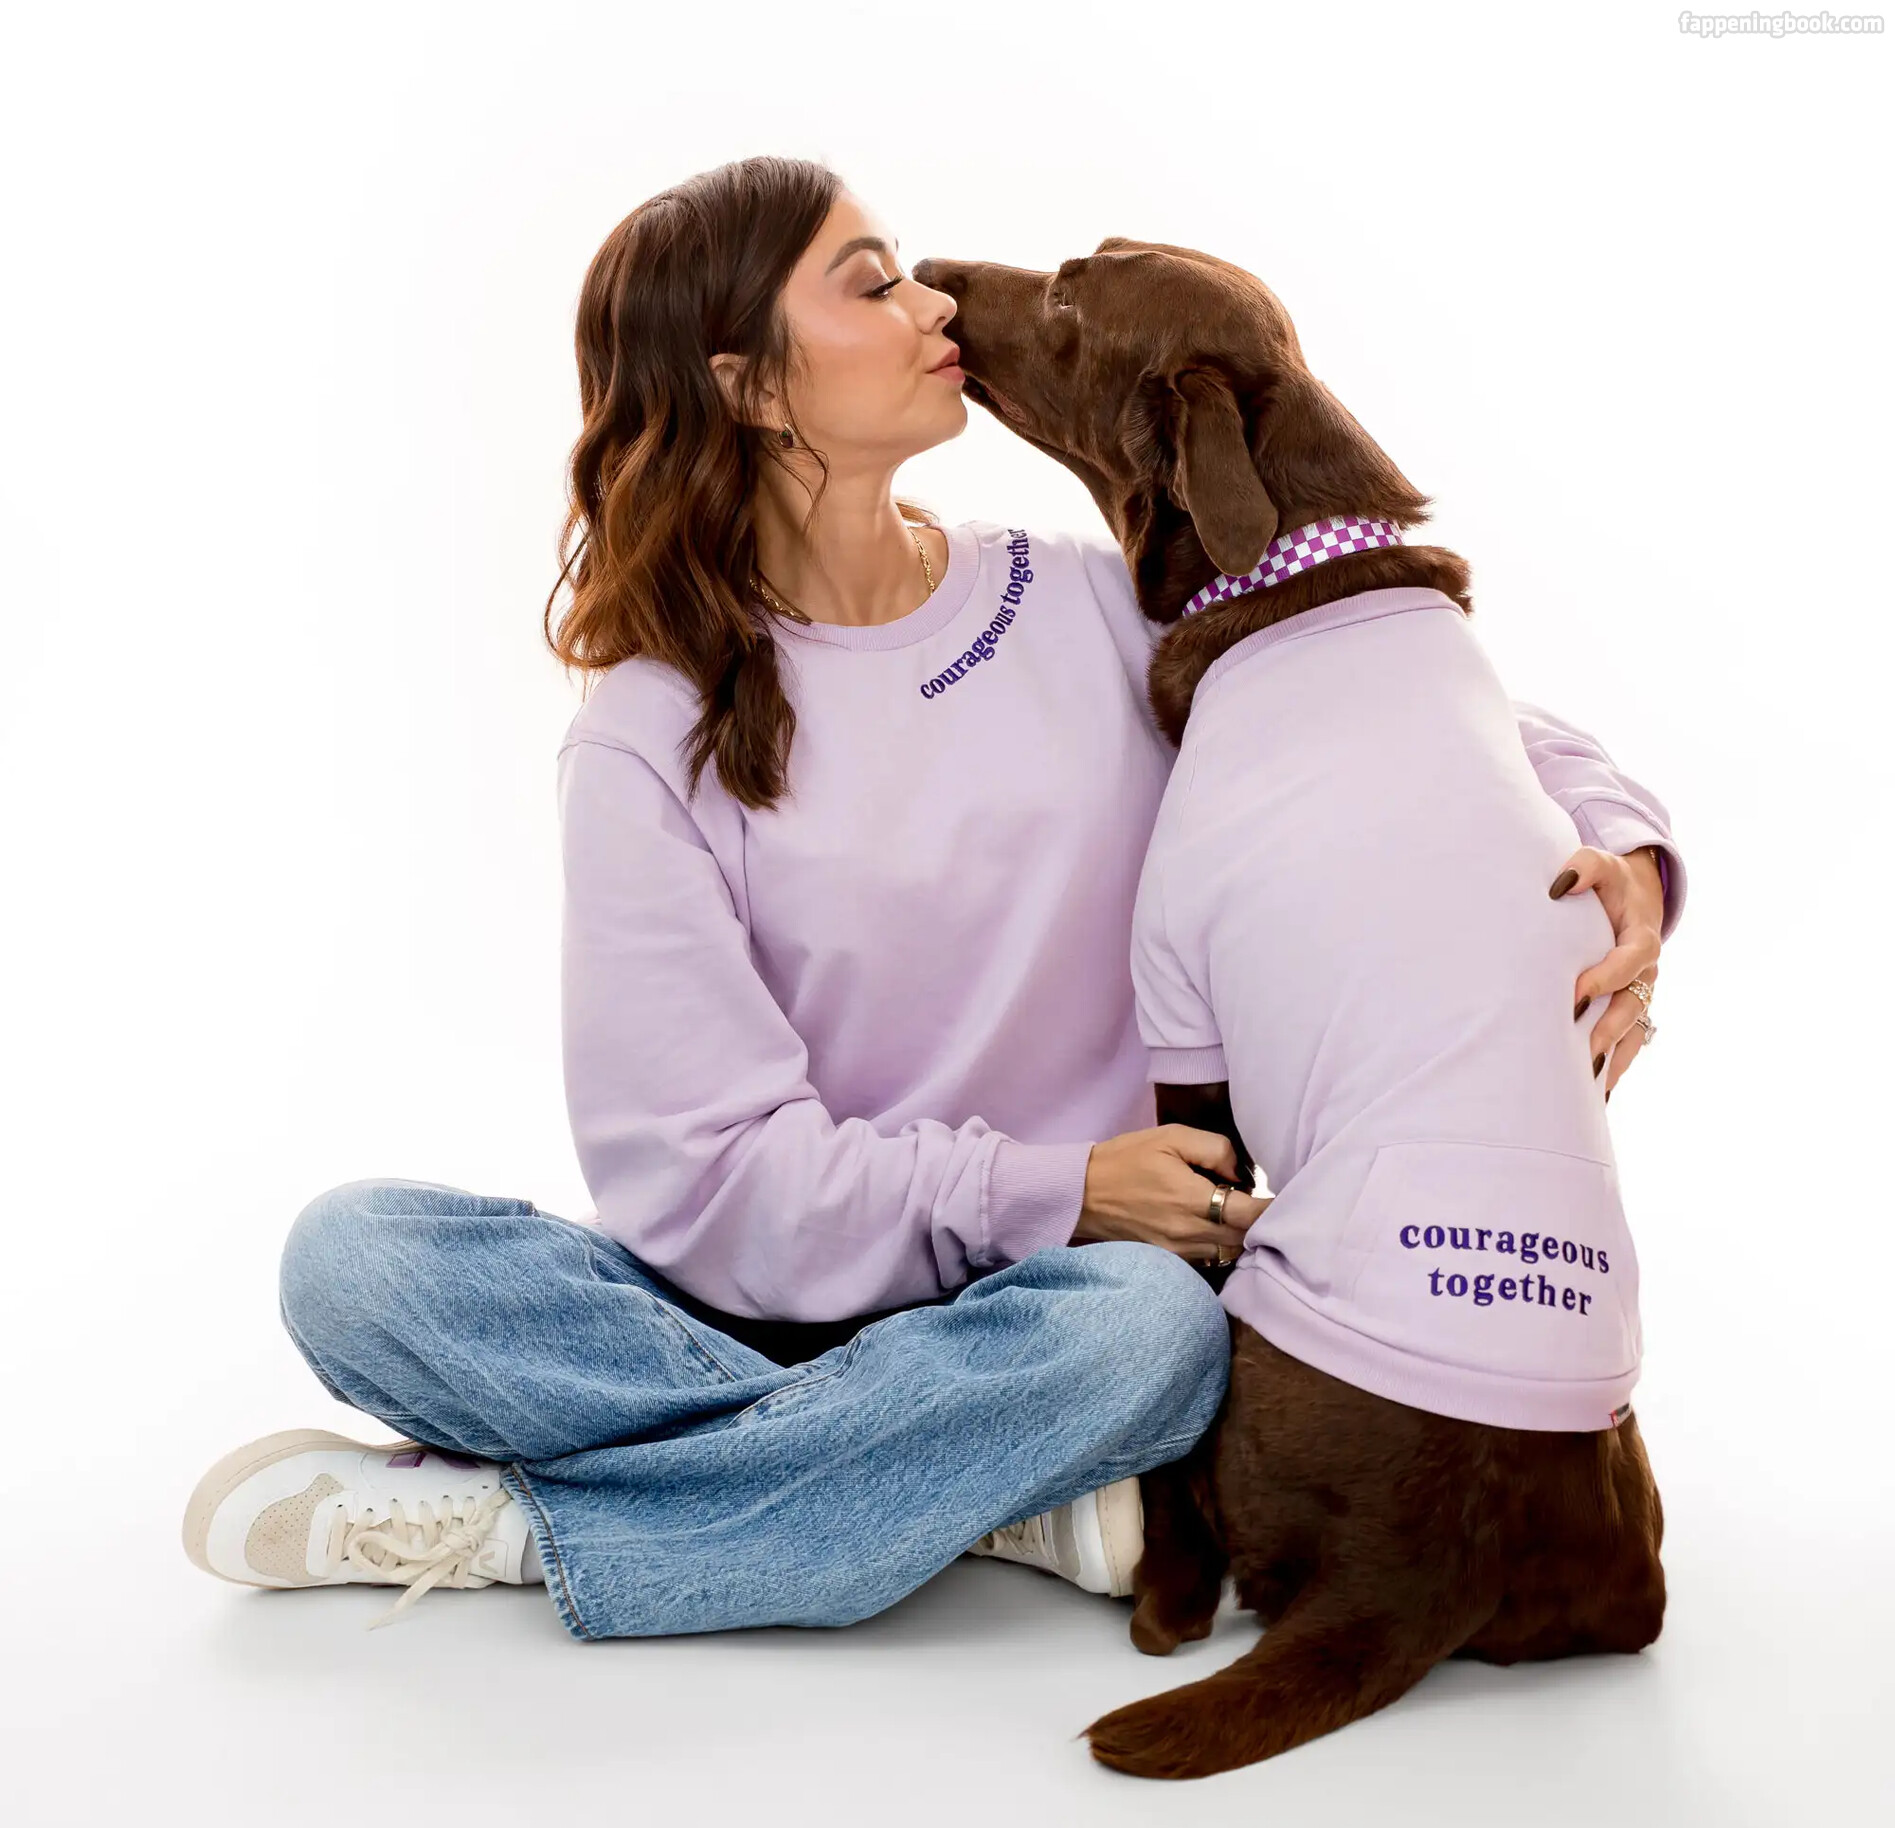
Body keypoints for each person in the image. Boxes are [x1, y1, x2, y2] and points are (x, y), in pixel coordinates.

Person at [180, 157, 1683, 1640]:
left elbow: (1406, 699)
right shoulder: (649, 736)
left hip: (1073, 1300)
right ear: (748, 388)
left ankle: (531, 1526)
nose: (936, 303)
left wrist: (1628, 852)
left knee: (1150, 1334)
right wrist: (1055, 1184)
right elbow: (703, 1184)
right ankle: (981, 1491)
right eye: (873, 284)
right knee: (355, 1262)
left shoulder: (1087, 599)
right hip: (776, 1293)